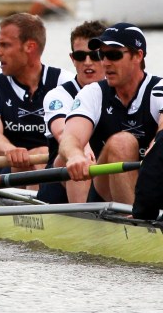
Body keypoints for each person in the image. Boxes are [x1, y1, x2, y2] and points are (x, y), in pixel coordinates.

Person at [61, 23, 162, 205]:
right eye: (102, 54)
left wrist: (156, 146)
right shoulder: (93, 93)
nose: (105, 62)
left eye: (114, 55)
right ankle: (135, 221)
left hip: (154, 182)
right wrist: (75, 155)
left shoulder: (158, 90)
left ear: (138, 56)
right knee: (122, 142)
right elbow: (71, 137)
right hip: (106, 187)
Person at [0, 13, 70, 174]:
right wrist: (11, 150)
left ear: (30, 47)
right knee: (29, 160)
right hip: (7, 168)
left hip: (54, 167)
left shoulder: (64, 82)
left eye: (5, 45)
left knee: (40, 154)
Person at [40, 20, 106, 203]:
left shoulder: (119, 92)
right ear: (72, 59)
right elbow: (62, 132)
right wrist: (79, 149)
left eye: (94, 56)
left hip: (102, 177)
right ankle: (83, 219)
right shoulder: (58, 95)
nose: (87, 62)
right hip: (59, 186)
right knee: (77, 158)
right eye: (80, 56)